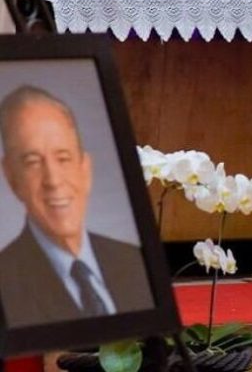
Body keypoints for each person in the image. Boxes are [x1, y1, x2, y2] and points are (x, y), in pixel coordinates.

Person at [0, 85, 152, 327]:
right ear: (11, 176)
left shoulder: (134, 262)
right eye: (32, 162)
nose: (53, 180)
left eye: (63, 158)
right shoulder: (6, 282)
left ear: (85, 168)